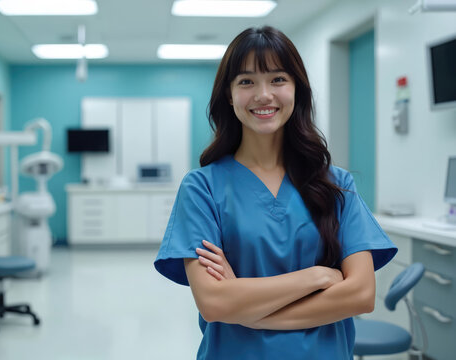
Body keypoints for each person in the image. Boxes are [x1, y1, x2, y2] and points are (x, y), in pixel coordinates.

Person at [154, 26, 397, 360]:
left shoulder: (336, 185)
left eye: (278, 79)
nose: (263, 94)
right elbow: (214, 303)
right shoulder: (202, 189)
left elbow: (361, 295)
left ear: (297, 88)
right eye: (246, 81)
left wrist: (246, 307)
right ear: (229, 94)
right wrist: (317, 276)